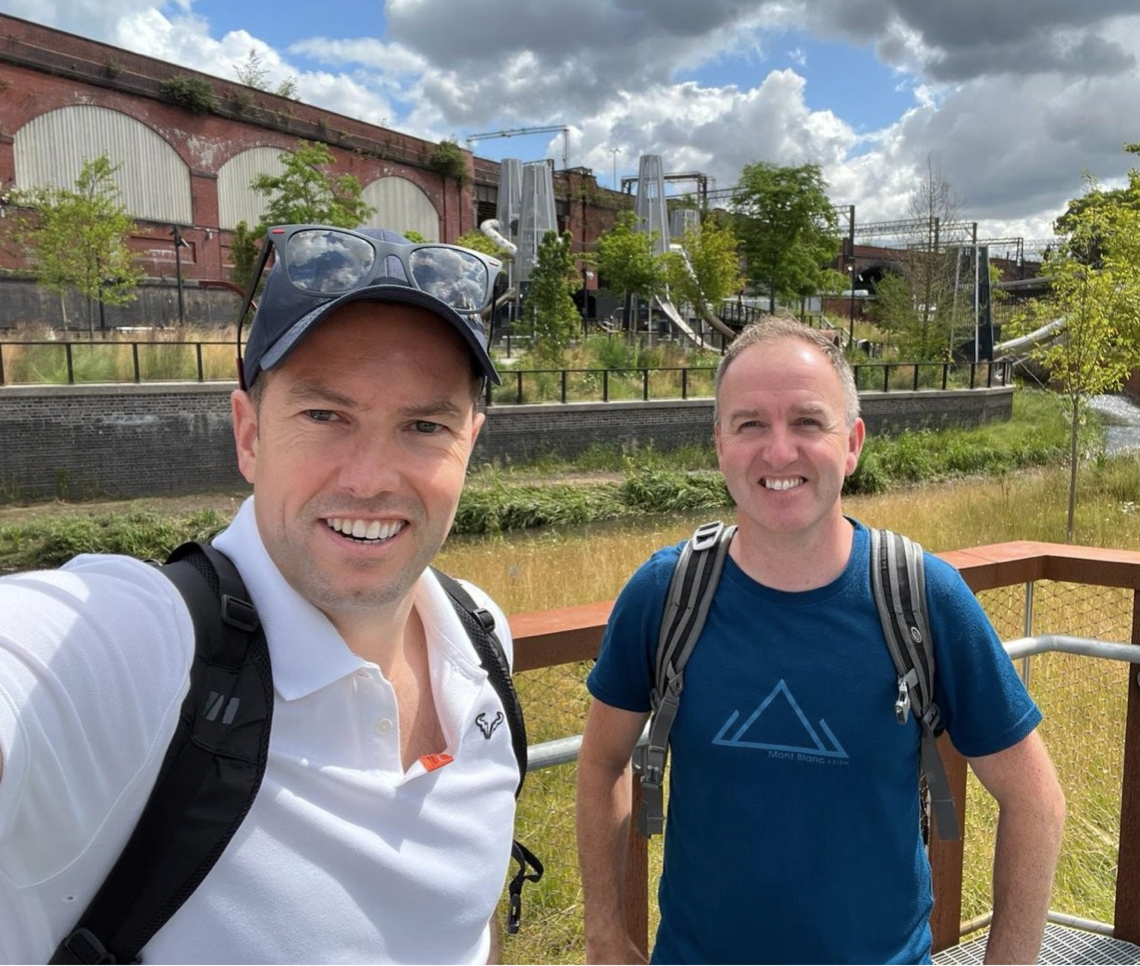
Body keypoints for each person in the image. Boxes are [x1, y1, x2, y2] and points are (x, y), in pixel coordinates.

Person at [0, 226, 520, 964]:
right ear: (248, 435)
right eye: (324, 415)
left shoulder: (481, 637)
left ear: (470, 442)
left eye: (424, 425)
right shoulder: (148, 652)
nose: (370, 477)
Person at [576, 318, 1066, 965]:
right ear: (719, 444)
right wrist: (606, 937)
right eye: (750, 424)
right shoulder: (666, 596)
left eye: (808, 422)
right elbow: (601, 762)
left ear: (853, 442)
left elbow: (1035, 798)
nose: (779, 452)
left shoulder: (923, 598)